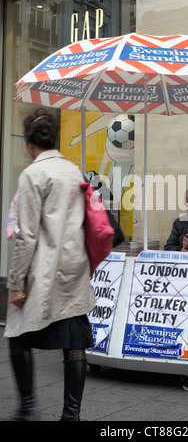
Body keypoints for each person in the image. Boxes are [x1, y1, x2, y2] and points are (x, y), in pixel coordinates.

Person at [4, 108, 96, 421]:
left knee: (17, 336)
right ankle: (71, 415)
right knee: (74, 342)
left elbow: (26, 235)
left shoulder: (32, 174)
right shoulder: (74, 171)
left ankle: (28, 408)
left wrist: (15, 282)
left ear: (30, 144)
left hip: (42, 271)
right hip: (74, 267)